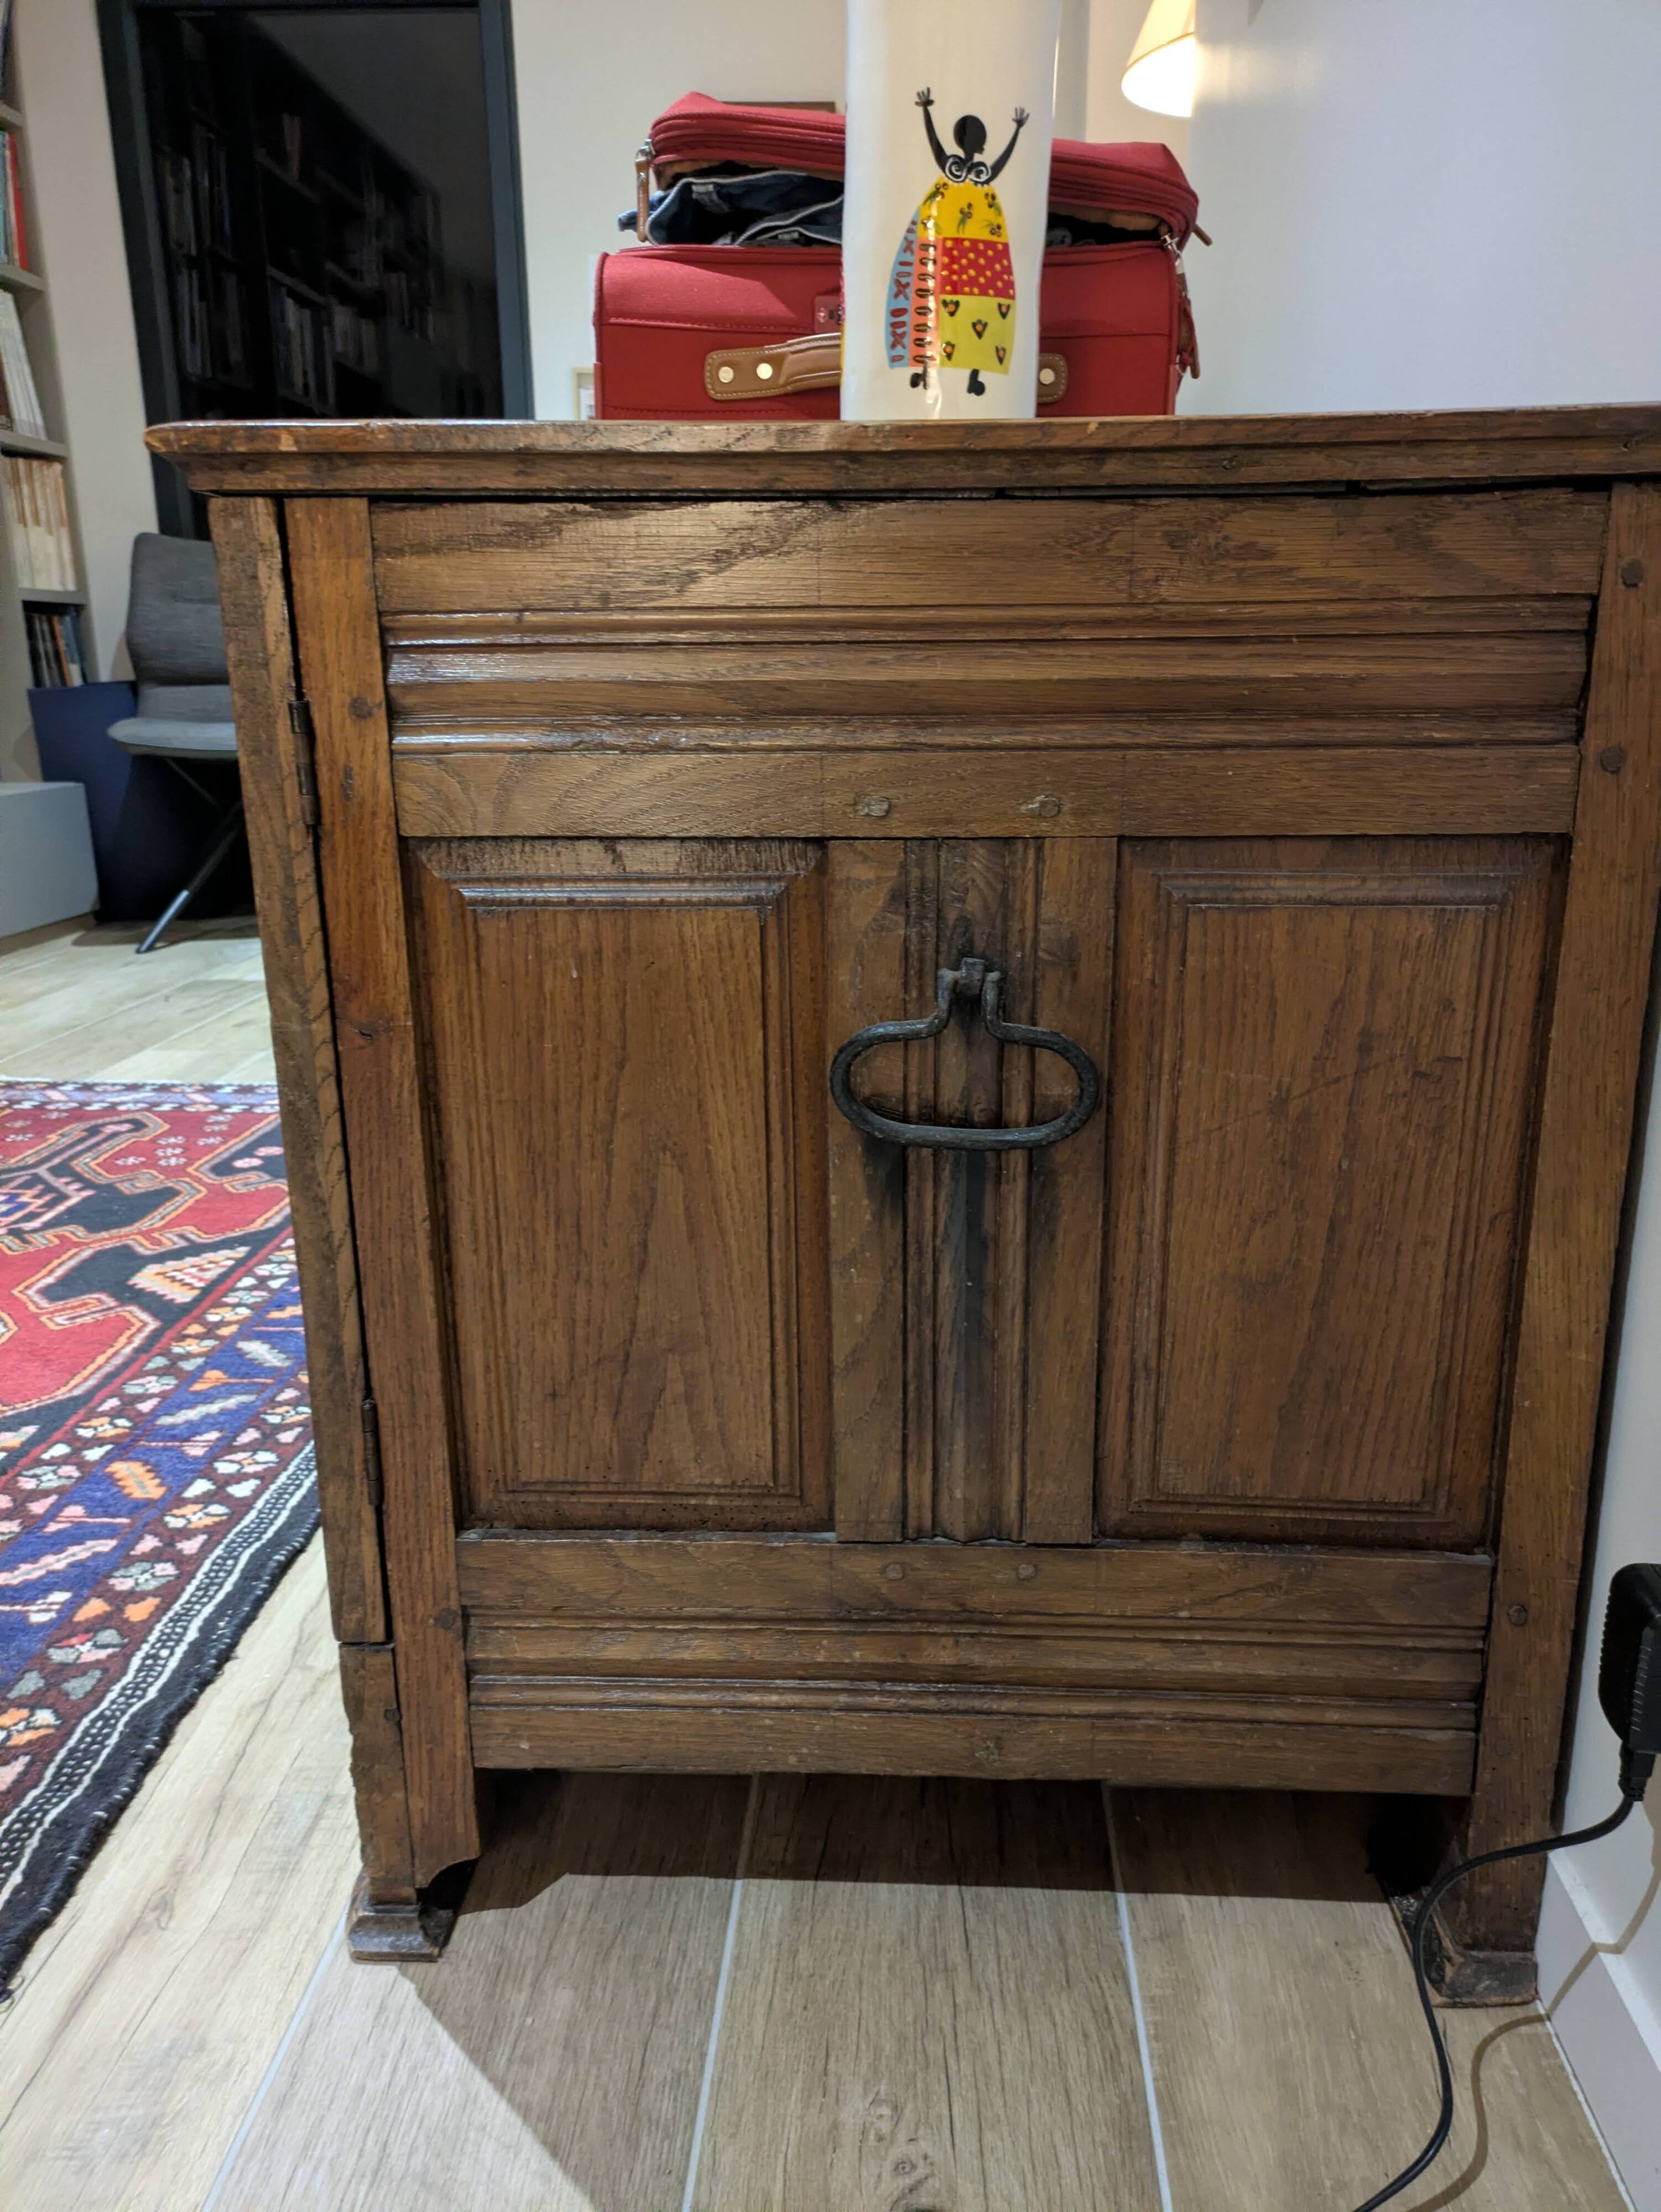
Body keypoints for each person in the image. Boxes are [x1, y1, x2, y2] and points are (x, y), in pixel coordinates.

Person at [887, 91, 1029, 396]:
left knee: (975, 303)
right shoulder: (966, 170)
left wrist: (1017, 131)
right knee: (939, 294)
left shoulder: (977, 172)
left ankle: (963, 375)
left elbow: (998, 158)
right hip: (950, 236)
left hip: (979, 240)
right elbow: (935, 144)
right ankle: (932, 370)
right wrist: (926, 112)